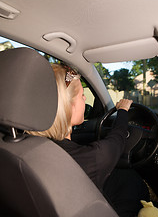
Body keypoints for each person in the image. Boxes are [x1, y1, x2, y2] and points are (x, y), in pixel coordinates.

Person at [27, 63, 150, 217]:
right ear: (67, 107)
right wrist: (123, 111)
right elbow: (117, 140)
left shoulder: (27, 144)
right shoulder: (91, 158)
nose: (85, 98)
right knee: (136, 187)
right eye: (81, 95)